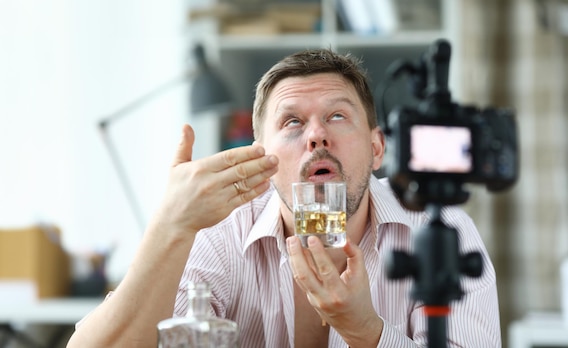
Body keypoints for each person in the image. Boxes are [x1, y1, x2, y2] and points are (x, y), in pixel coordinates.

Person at [67, 48, 501, 347]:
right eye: (292, 122)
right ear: (262, 154)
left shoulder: (440, 230)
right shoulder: (218, 229)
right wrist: (169, 226)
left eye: (337, 116)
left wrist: (365, 331)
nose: (316, 136)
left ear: (376, 149)